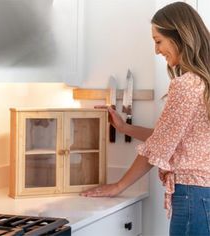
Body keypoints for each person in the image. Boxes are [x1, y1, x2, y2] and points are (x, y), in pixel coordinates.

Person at [81, 2, 210, 235]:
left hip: (193, 196)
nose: (156, 50)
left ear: (180, 36)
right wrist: (123, 127)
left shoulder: (186, 85)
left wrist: (117, 186)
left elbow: (159, 147)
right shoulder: (203, 82)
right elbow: (171, 138)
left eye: (158, 41)